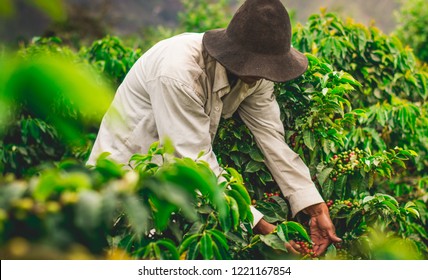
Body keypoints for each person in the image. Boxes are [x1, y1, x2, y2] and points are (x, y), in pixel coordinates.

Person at [87, 0, 341, 255]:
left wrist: (315, 206)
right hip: (126, 179)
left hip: (176, 190)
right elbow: (193, 161)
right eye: (254, 65)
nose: (260, 74)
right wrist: (266, 231)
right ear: (234, 51)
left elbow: (272, 139)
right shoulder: (179, 73)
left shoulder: (260, 75)